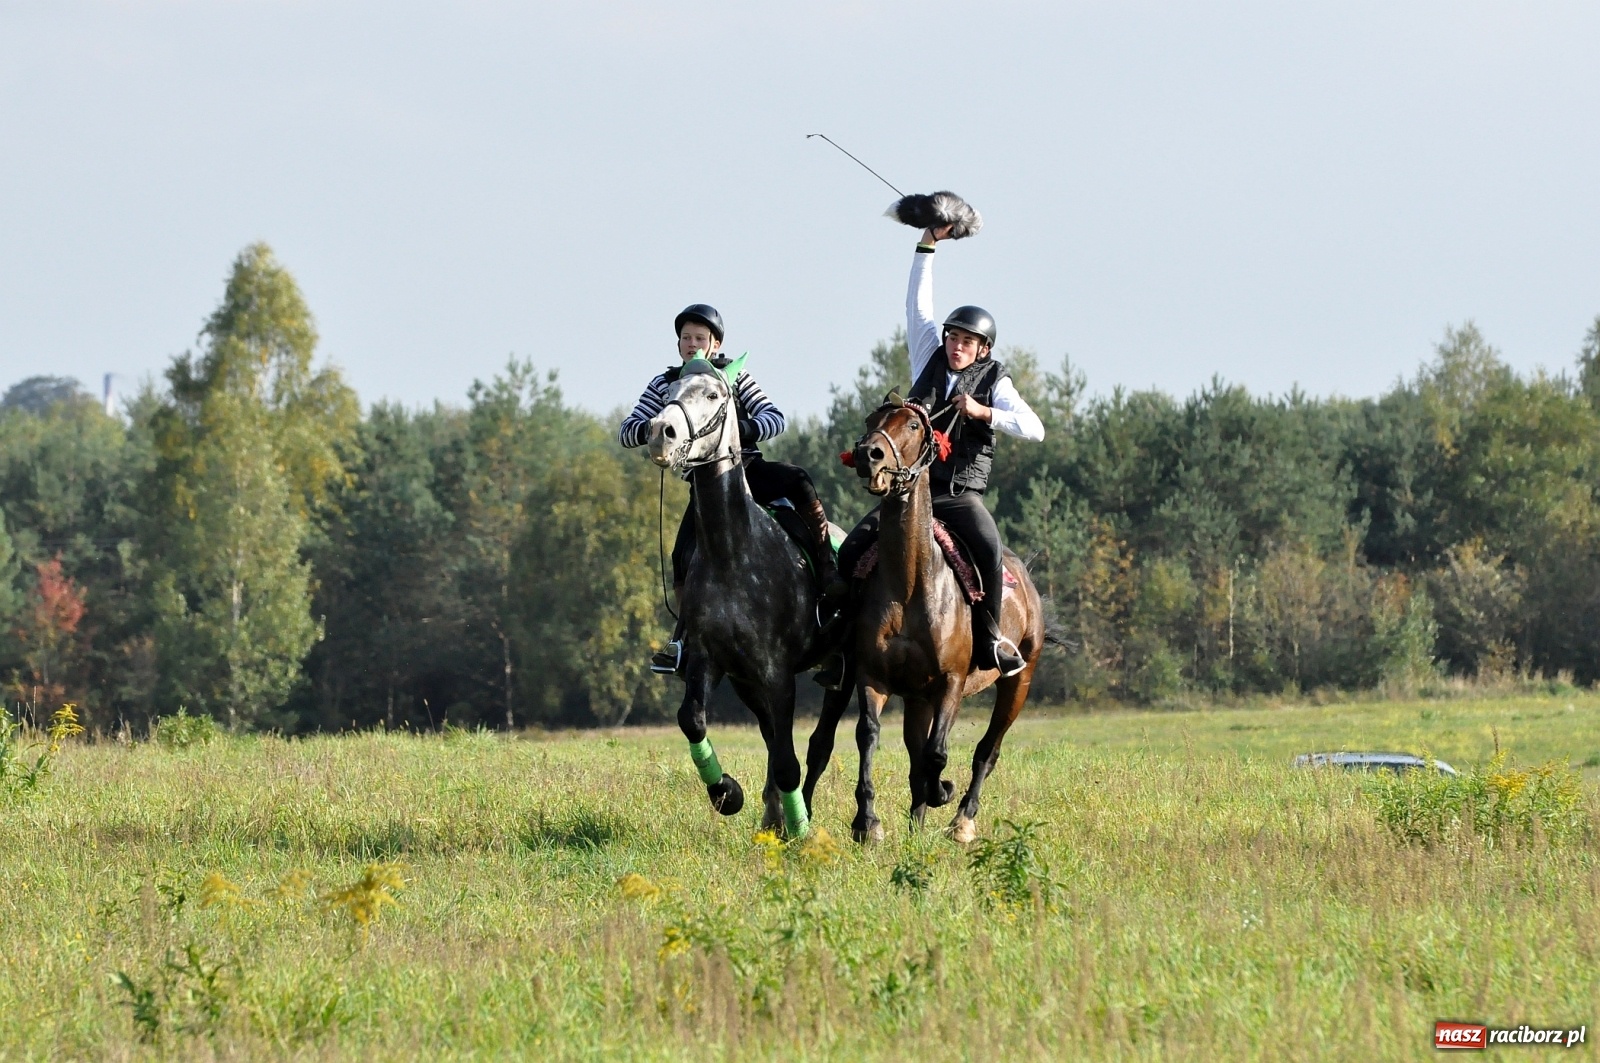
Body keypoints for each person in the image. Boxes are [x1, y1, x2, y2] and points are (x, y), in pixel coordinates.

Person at [827, 225, 1045, 676]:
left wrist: (984, 412)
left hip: (958, 496)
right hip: (909, 490)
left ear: (983, 349)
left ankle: (990, 641)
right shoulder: (928, 353)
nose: (956, 346)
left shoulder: (996, 381)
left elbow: (1035, 429)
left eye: (966, 342)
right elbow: (917, 305)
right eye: (952, 338)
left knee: (990, 551)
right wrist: (927, 245)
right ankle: (843, 648)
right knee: (850, 553)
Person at [620, 303, 835, 675]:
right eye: (686, 338)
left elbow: (775, 418)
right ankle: (683, 639)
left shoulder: (735, 376)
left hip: (747, 469)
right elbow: (627, 430)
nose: (692, 344)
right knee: (681, 555)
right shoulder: (666, 383)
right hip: (705, 488)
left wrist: (739, 427)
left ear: (715, 344)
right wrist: (653, 428)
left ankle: (828, 577)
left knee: (799, 480)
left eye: (699, 338)